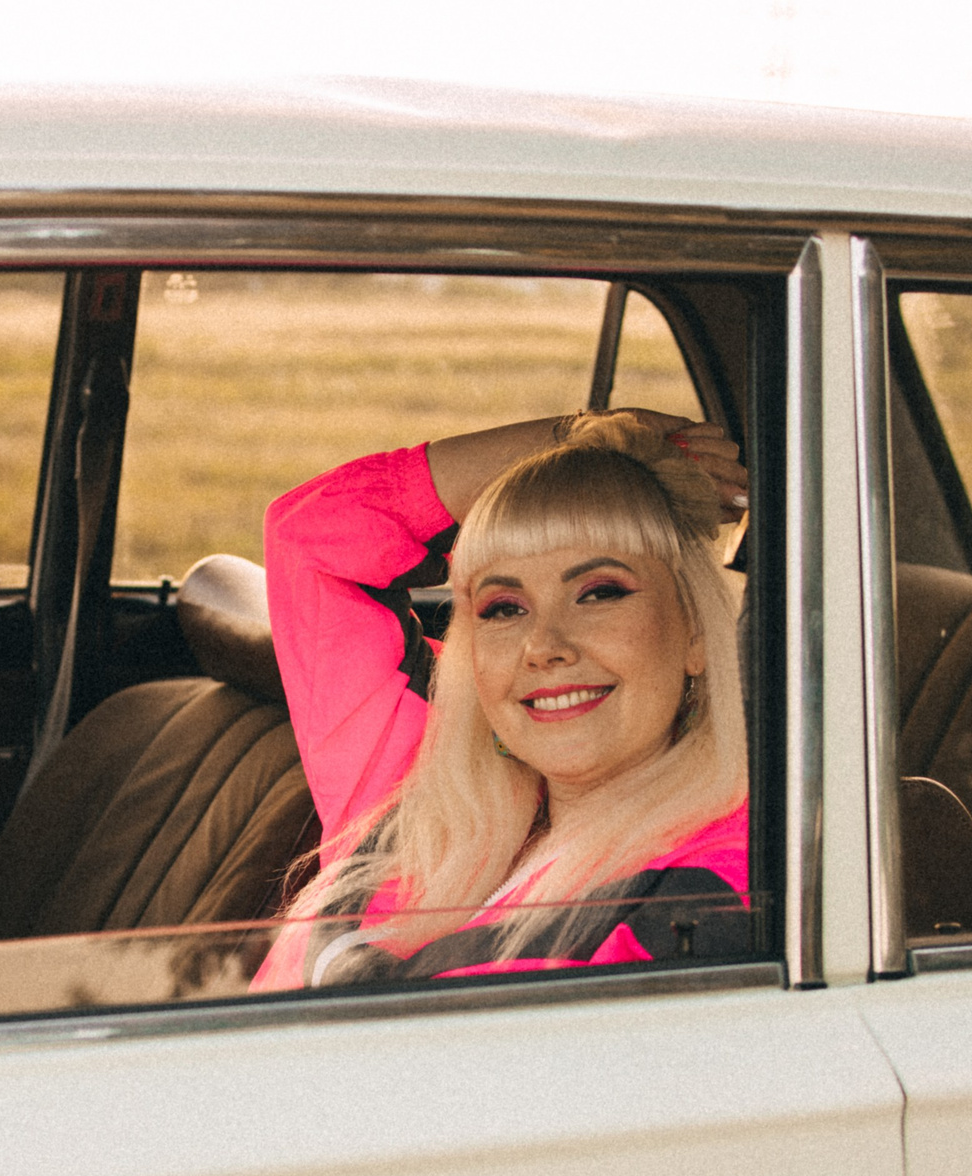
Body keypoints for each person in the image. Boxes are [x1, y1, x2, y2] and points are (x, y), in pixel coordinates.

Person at [253, 410, 753, 988]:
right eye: (504, 607)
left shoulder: (710, 885)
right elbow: (315, 531)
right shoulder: (413, 775)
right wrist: (584, 438)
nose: (543, 646)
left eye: (600, 593)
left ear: (694, 632)